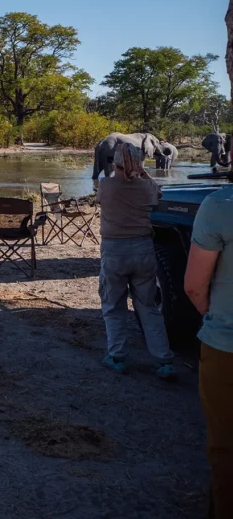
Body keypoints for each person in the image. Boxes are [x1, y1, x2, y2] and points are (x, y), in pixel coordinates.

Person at [96, 141, 175, 379]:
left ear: (116, 162)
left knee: (113, 304)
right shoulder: (145, 187)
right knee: (148, 307)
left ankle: (117, 356)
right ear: (140, 163)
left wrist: (126, 169)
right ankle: (164, 360)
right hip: (143, 249)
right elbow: (158, 194)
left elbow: (101, 199)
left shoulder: (106, 185)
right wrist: (142, 172)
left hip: (114, 250)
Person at [185, 183, 233, 518]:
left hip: (227, 347)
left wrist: (216, 319)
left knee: (227, 450)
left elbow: (193, 286)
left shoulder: (220, 204)